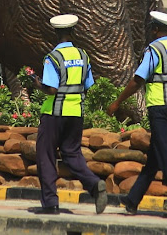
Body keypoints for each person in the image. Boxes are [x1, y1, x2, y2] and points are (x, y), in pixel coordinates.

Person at [107, 11, 167, 219]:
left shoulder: (154, 50)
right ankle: (132, 201)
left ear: (155, 29)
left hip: (160, 110)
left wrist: (117, 101)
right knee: (155, 157)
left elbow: (138, 79)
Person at [29, 13, 108, 215]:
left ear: (55, 33)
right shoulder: (83, 56)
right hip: (76, 113)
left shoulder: (52, 58)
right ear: (73, 32)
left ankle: (50, 203)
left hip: (54, 113)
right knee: (72, 154)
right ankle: (94, 183)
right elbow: (88, 85)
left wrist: (37, 84)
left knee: (45, 156)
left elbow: (52, 89)